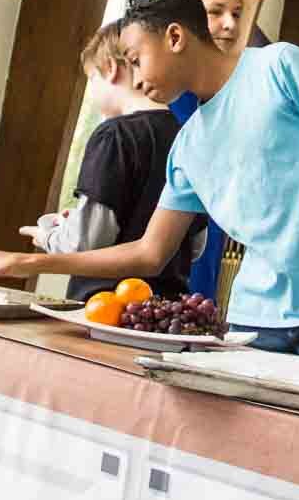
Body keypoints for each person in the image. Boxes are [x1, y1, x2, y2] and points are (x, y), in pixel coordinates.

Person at [0, 0, 299, 370]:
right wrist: (31, 262)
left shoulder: (279, 67)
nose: (135, 79)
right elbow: (148, 253)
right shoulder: (186, 146)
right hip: (254, 320)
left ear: (175, 36)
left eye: (136, 59)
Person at [22, 22, 201, 301]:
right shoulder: (189, 137)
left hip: (105, 306)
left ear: (110, 68)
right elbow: (196, 244)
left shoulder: (115, 135)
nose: (91, 91)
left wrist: (47, 236)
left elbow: (86, 242)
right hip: (165, 312)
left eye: (91, 78)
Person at [171, 0, 246, 300]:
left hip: (211, 252)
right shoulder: (164, 97)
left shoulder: (235, 98)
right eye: (216, 12)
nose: (230, 24)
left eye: (236, 14)